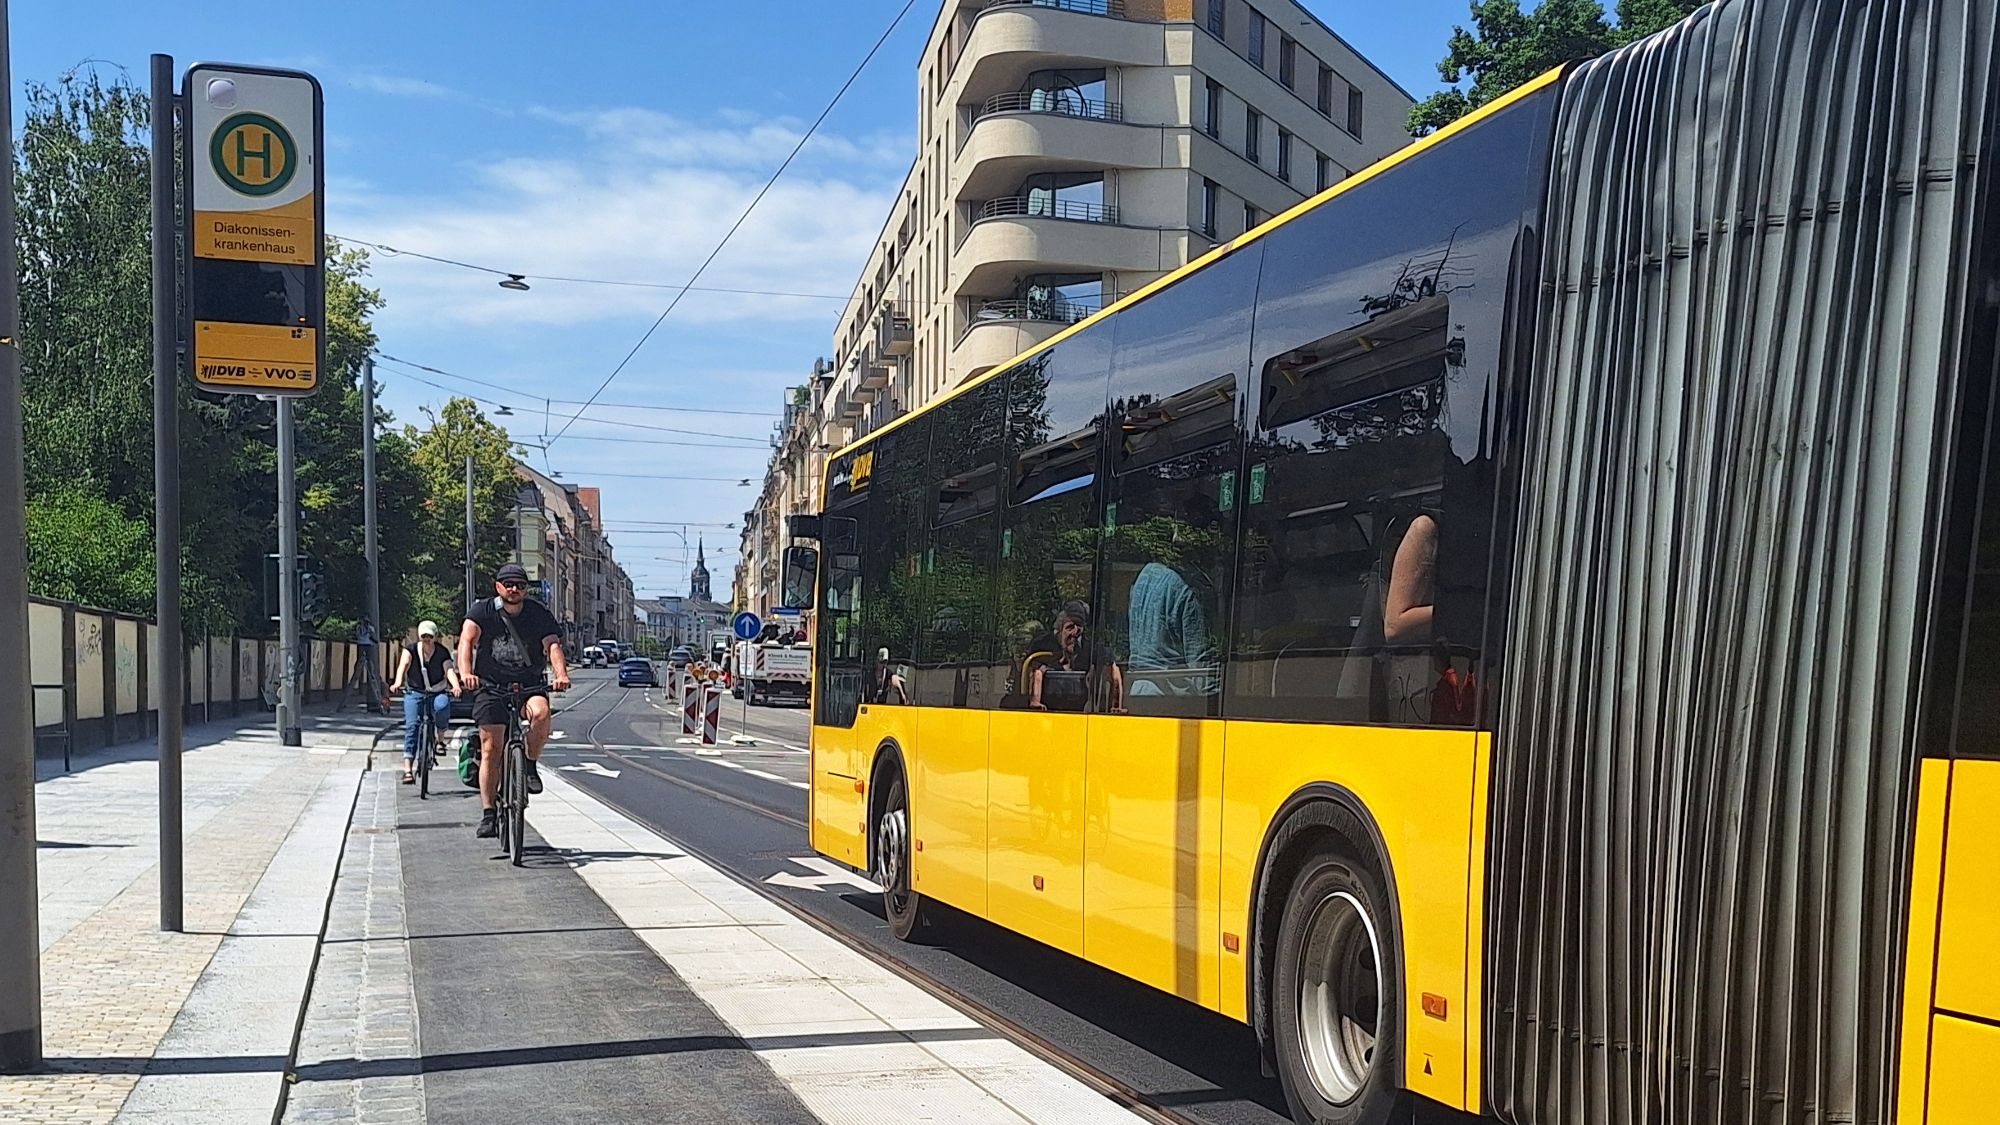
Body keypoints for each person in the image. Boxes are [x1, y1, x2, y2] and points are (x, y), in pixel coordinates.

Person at [457, 563, 571, 840]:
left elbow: (552, 645)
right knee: (490, 749)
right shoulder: (482, 611)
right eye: (508, 584)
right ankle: (488, 813)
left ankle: (529, 764)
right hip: (492, 686)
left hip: (529, 684)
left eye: (520, 585)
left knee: (541, 714)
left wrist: (561, 674)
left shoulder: (537, 613)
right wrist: (466, 673)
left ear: (525, 589)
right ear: (498, 587)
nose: (514, 589)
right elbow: (466, 641)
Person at [390, 620, 462, 784]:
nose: (427, 639)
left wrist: (456, 686)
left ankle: (440, 740)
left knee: (442, 706)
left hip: (437, 691)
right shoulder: (411, 650)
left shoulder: (442, 652)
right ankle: (408, 769)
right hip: (415, 692)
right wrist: (397, 682)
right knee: (412, 726)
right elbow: (403, 665)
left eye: (430, 636)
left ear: (435, 636)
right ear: (419, 637)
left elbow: (449, 670)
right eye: (424, 636)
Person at [1023, 601, 1124, 713]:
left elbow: (1113, 670)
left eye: (1079, 627)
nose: (1074, 633)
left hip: (1080, 712)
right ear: (1060, 627)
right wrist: (1035, 702)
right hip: (1048, 711)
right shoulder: (1042, 645)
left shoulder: (1091, 649)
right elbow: (1035, 672)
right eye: (1070, 627)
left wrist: (1115, 706)